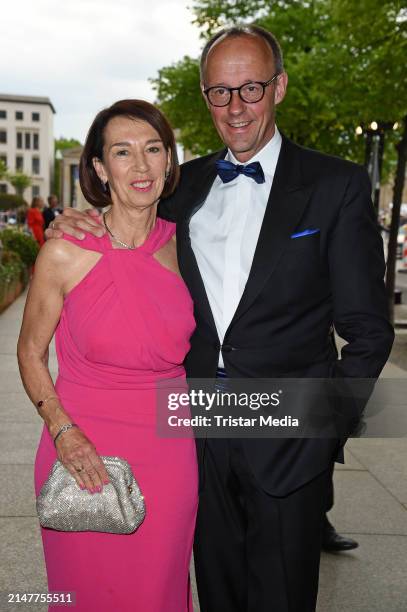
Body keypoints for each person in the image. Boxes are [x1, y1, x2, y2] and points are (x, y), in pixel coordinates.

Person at [48, 25, 394, 612]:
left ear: (279, 87)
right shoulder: (184, 187)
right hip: (192, 439)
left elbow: (368, 329)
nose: (235, 108)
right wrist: (74, 222)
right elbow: (124, 225)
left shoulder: (334, 186)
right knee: (216, 593)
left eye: (251, 88)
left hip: (289, 440)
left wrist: (322, 433)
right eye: (219, 92)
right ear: (205, 96)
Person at [18, 99, 198, 612]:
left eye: (153, 150)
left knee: (158, 590)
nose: (140, 166)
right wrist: (62, 430)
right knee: (83, 593)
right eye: (123, 152)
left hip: (169, 449)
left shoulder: (188, 246)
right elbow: (30, 353)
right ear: (100, 168)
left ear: (169, 161)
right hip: (79, 442)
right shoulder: (64, 251)